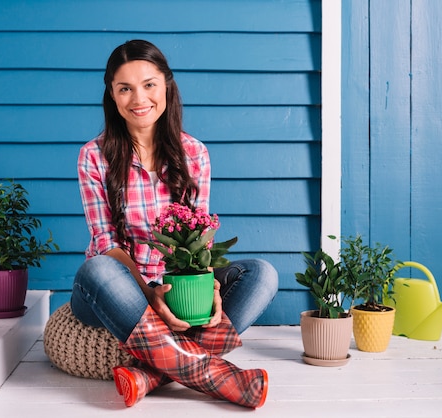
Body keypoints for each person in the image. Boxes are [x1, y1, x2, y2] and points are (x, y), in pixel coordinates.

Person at [70, 39, 278, 409]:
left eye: (149, 84)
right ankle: (215, 376)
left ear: (166, 85)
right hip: (120, 290)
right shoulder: (93, 156)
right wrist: (149, 295)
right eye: (125, 88)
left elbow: (201, 239)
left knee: (261, 274)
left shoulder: (194, 153)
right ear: (112, 96)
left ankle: (152, 374)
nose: (139, 98)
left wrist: (210, 289)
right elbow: (104, 240)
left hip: (179, 289)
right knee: (96, 268)